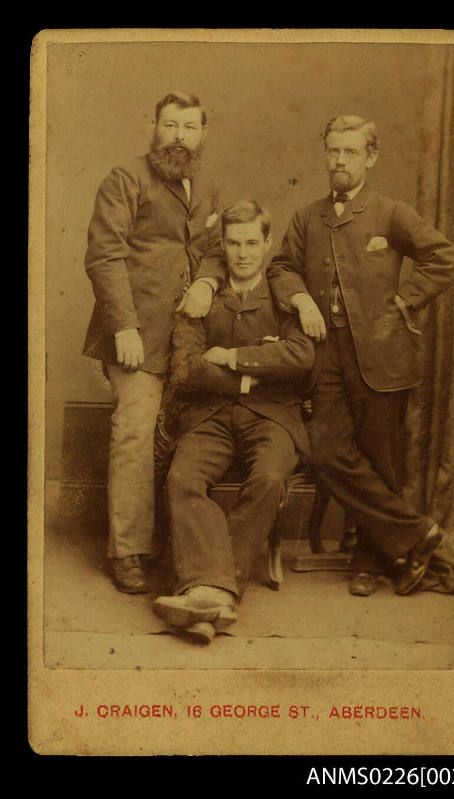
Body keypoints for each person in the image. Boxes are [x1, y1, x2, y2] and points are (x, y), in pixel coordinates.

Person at [194, 115, 454, 597]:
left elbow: (445, 258)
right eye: (333, 151)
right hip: (325, 356)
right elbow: (283, 268)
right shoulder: (307, 217)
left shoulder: (392, 213)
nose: (339, 161)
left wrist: (406, 299)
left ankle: (372, 561)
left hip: (383, 356)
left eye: (350, 152)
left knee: (381, 462)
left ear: (370, 157)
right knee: (328, 450)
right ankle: (418, 537)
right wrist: (302, 300)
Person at [152, 199, 315, 642]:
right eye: (233, 243)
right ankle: (218, 597)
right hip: (210, 413)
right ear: (221, 246)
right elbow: (186, 367)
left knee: (268, 477)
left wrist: (232, 359)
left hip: (273, 417)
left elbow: (301, 357)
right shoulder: (201, 296)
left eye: (251, 243)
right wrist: (250, 379)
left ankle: (208, 591)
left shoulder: (285, 296)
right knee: (182, 477)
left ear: (266, 245)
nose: (242, 253)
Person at [82, 91, 222, 594]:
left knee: (178, 439)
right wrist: (123, 328)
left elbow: (213, 250)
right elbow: (104, 255)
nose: (179, 136)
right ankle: (129, 551)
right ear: (154, 126)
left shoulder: (205, 187)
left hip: (185, 339)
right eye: (170, 124)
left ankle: (171, 544)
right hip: (134, 337)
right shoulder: (126, 179)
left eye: (189, 127)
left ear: (203, 134)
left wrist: (206, 282)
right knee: (135, 436)